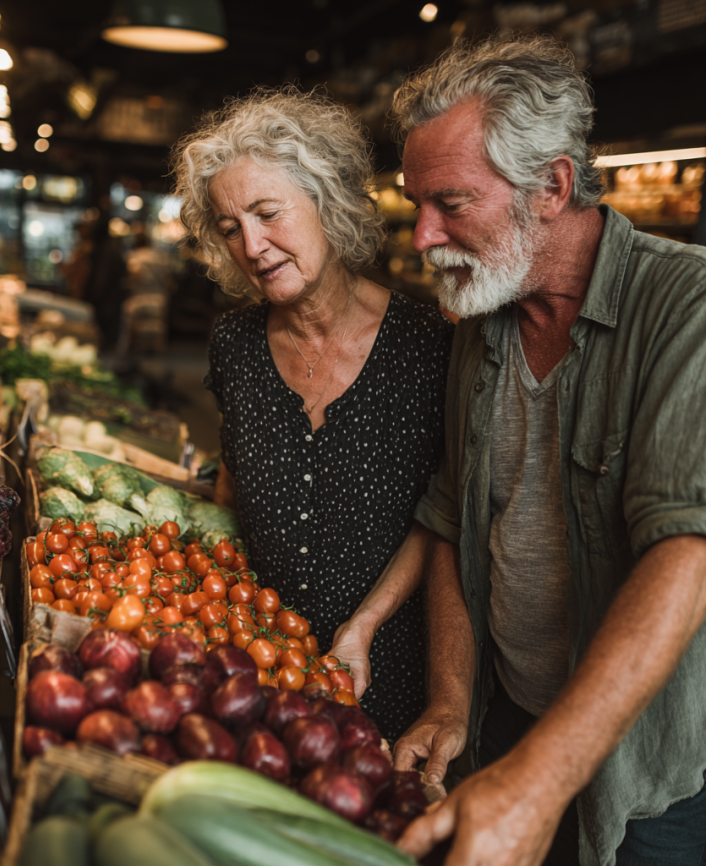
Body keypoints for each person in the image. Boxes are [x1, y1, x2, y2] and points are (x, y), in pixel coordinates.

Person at [383, 36, 706, 866]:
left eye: (451, 203)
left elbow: (687, 553)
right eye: (417, 203)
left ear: (553, 186)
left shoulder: (686, 306)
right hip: (508, 720)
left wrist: (542, 778)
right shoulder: (483, 312)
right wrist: (453, 703)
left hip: (649, 774)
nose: (424, 236)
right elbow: (457, 516)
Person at [170, 86, 454, 740]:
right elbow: (233, 488)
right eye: (229, 227)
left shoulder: (428, 345)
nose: (253, 243)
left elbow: (443, 516)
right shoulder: (235, 346)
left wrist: (365, 624)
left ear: (326, 201)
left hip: (386, 672)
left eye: (269, 213)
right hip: (257, 669)